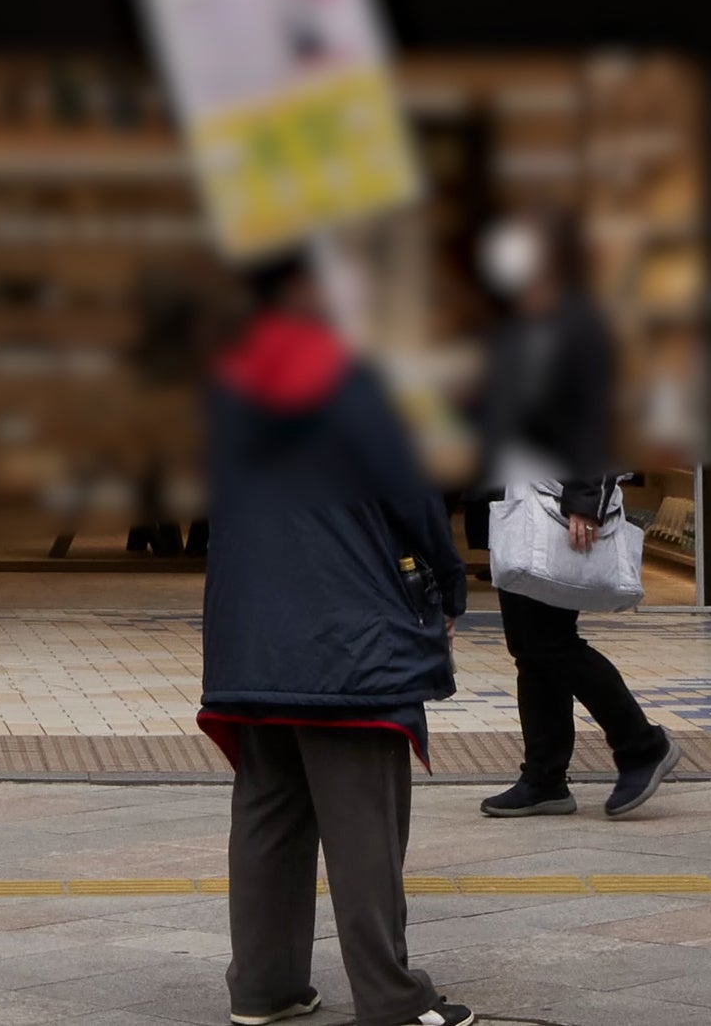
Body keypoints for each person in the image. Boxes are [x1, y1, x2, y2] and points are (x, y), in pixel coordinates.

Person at [199, 253, 474, 1026]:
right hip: (351, 637)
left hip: (251, 639)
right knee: (364, 825)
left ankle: (265, 987)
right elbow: (413, 496)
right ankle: (391, 998)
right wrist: (449, 586)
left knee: (269, 811)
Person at [474, 210, 679, 820]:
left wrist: (584, 497)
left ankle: (641, 744)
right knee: (530, 645)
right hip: (519, 498)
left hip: (556, 499)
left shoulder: (581, 322)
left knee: (548, 642)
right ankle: (544, 777)